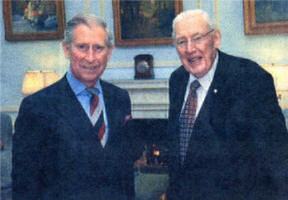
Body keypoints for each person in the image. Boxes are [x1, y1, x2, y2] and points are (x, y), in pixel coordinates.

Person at [12, 13, 138, 200]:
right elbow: (25, 185)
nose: (90, 57)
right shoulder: (37, 107)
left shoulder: (119, 98)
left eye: (98, 48)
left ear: (109, 52)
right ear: (66, 49)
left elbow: (125, 173)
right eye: (82, 47)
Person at [166, 9, 288, 200]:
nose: (190, 49)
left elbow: (277, 156)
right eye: (182, 41)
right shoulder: (177, 80)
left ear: (215, 39)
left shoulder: (250, 78)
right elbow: (179, 155)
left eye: (197, 38)